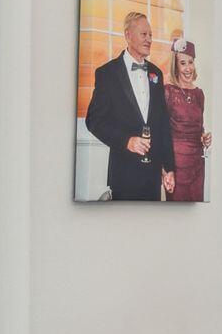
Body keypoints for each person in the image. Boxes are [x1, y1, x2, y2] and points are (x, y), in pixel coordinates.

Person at [83, 10, 174, 201]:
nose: (149, 39)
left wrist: (169, 167)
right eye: (144, 34)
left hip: (152, 177)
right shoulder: (107, 73)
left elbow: (163, 124)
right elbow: (94, 121)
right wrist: (127, 141)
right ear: (128, 35)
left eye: (151, 35)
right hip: (123, 174)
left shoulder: (156, 73)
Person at [162, 37, 210, 203]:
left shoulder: (199, 94)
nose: (188, 68)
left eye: (190, 62)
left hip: (197, 165)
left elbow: (198, 127)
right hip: (176, 166)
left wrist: (204, 137)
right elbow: (162, 132)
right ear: (175, 66)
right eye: (183, 63)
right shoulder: (167, 91)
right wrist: (165, 170)